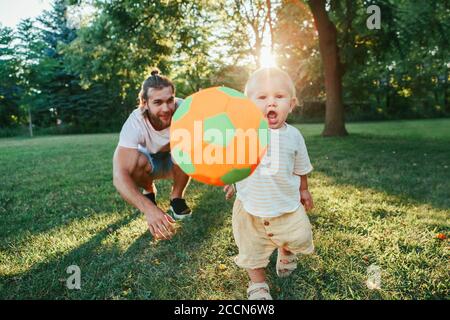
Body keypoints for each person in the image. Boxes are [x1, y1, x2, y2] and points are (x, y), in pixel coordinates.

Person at [223, 67, 315, 300]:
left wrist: (304, 189)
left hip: (286, 203)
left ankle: (286, 250)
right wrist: (232, 182)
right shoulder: (244, 134)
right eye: (262, 97)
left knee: (299, 235)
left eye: (279, 97)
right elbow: (237, 163)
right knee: (250, 247)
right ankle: (258, 285)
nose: (270, 103)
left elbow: (300, 167)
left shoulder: (293, 136)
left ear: (291, 104)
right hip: (250, 207)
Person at [113, 69, 192, 241]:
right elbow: (119, 175)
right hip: (150, 163)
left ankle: (177, 198)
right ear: (144, 103)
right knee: (136, 161)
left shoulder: (186, 110)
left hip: (176, 161)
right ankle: (149, 190)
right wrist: (149, 209)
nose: (166, 108)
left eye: (170, 100)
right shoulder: (135, 122)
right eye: (157, 102)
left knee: (185, 150)